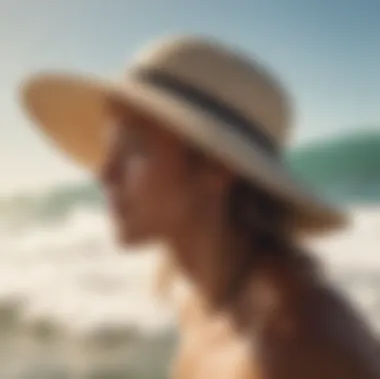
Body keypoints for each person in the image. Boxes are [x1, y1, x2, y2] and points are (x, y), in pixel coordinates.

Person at [21, 35, 379, 378]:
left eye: (133, 146)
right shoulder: (201, 301)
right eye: (109, 147)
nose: (106, 173)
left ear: (217, 167)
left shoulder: (294, 352)